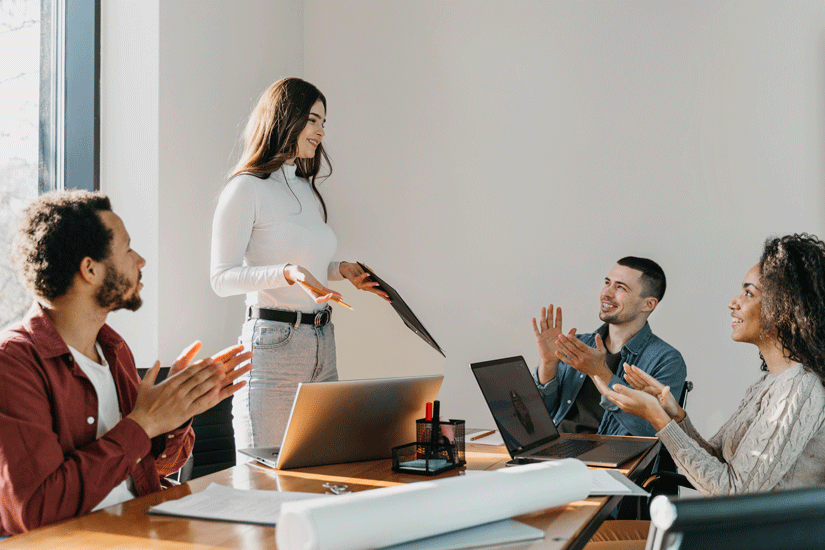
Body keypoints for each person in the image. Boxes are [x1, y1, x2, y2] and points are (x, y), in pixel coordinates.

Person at [0, 190, 252, 536]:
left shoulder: (113, 348)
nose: (141, 261)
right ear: (89, 269)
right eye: (128, 249)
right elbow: (35, 511)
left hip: (145, 527)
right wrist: (143, 423)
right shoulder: (14, 363)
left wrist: (174, 412)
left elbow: (156, 466)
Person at [587, 234, 825, 549]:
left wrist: (659, 421)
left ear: (785, 306)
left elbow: (733, 494)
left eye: (748, 292)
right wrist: (673, 412)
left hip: (745, 539)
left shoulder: (798, 388)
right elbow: (715, 458)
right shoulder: (772, 382)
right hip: (731, 532)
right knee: (586, 536)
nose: (734, 302)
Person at [210, 77, 389, 451]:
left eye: (324, 123)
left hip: (323, 341)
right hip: (275, 347)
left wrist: (341, 269)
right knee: (268, 483)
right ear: (284, 117)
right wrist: (286, 272)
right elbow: (221, 278)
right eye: (313, 120)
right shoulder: (246, 189)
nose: (321, 132)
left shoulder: (305, 188)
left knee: (323, 472)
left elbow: (308, 265)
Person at [532, 257, 686, 437]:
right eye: (607, 283)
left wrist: (602, 374)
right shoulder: (578, 344)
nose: (606, 293)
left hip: (613, 461)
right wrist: (549, 364)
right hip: (557, 451)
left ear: (648, 304)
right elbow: (538, 418)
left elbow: (654, 431)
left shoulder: (666, 360)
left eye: (620, 287)